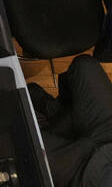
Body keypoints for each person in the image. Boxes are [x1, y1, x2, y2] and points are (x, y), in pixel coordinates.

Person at [31, 55, 112, 187]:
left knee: (17, 141)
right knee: (85, 65)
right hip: (108, 134)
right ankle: (55, 114)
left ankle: (55, 119)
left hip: (88, 176)